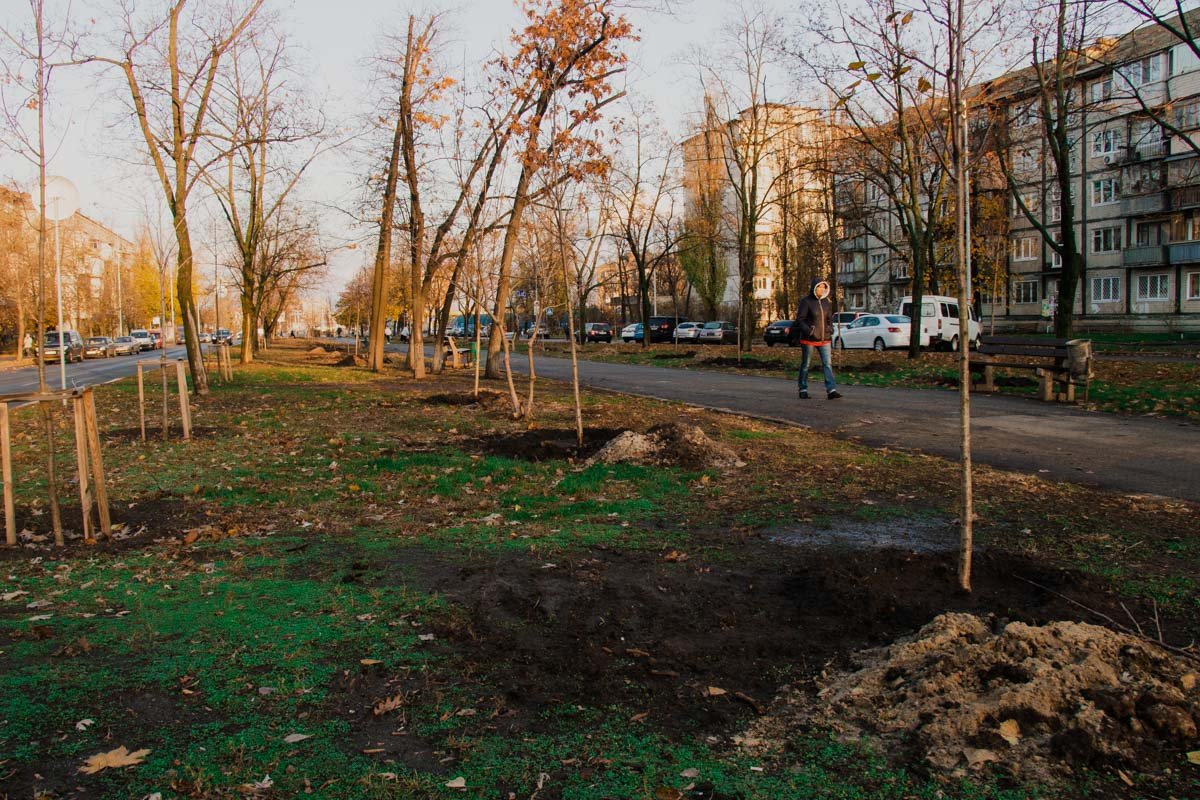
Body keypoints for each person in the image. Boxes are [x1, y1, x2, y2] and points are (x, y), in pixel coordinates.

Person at [794, 277, 842, 400]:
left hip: (824, 339)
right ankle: (803, 389)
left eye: (823, 287)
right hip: (809, 339)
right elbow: (800, 320)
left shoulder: (826, 302)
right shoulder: (806, 301)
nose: (821, 289)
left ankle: (831, 390)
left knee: (827, 364)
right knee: (806, 364)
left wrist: (830, 328)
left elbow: (829, 319)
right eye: (819, 287)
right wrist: (809, 331)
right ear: (814, 288)